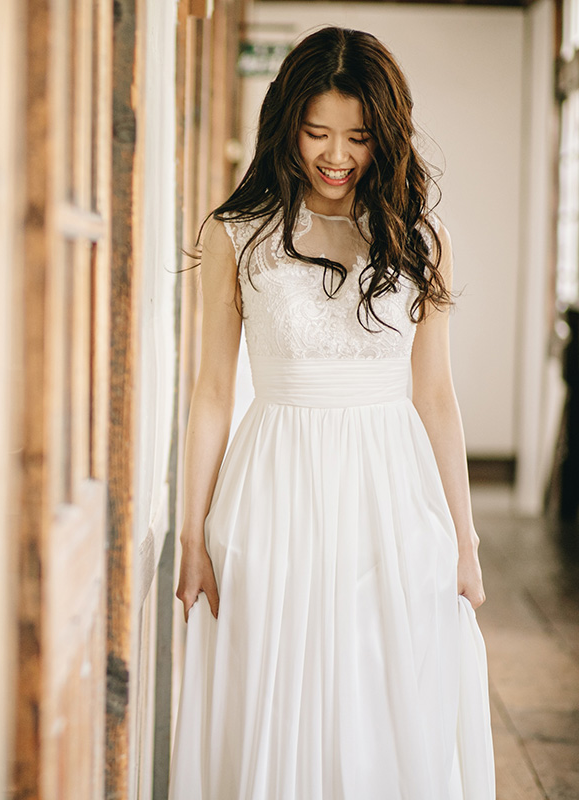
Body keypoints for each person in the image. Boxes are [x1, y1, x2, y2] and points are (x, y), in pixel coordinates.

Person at [170, 28, 495, 799]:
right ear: (287, 125)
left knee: (381, 690)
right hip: (273, 483)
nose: (337, 155)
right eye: (318, 133)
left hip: (392, 491)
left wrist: (466, 540)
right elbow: (213, 392)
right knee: (272, 684)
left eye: (357, 136)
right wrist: (192, 535)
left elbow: (436, 397)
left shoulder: (421, 240)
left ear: (386, 135)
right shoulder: (237, 235)